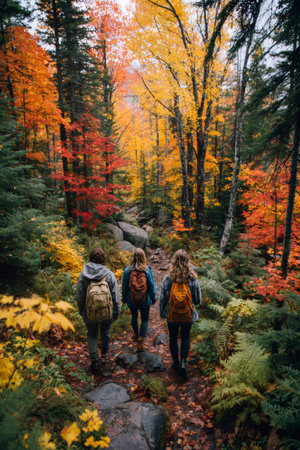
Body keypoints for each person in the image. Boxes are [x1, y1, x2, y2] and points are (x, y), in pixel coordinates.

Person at [76, 247, 121, 373]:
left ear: (90, 258)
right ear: (103, 259)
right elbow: (115, 296)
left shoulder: (84, 275)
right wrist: (117, 311)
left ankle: (94, 360)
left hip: (89, 312)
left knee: (92, 333)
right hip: (106, 311)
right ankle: (105, 350)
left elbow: (80, 295)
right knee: (105, 330)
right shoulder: (109, 274)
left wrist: (81, 309)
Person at [159, 249, 202, 379]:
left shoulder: (168, 278)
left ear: (174, 261)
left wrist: (162, 313)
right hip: (187, 315)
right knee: (185, 337)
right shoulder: (193, 278)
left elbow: (163, 298)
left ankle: (175, 363)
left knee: (172, 338)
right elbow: (198, 300)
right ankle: (183, 362)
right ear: (187, 261)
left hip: (172, 315)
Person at [122, 248, 156, 351]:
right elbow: (151, 285)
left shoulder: (128, 270)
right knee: (145, 319)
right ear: (143, 257)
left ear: (133, 256)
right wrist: (153, 297)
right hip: (145, 300)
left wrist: (124, 299)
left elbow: (124, 286)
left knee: (134, 317)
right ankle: (141, 340)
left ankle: (136, 335)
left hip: (132, 300)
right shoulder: (147, 270)